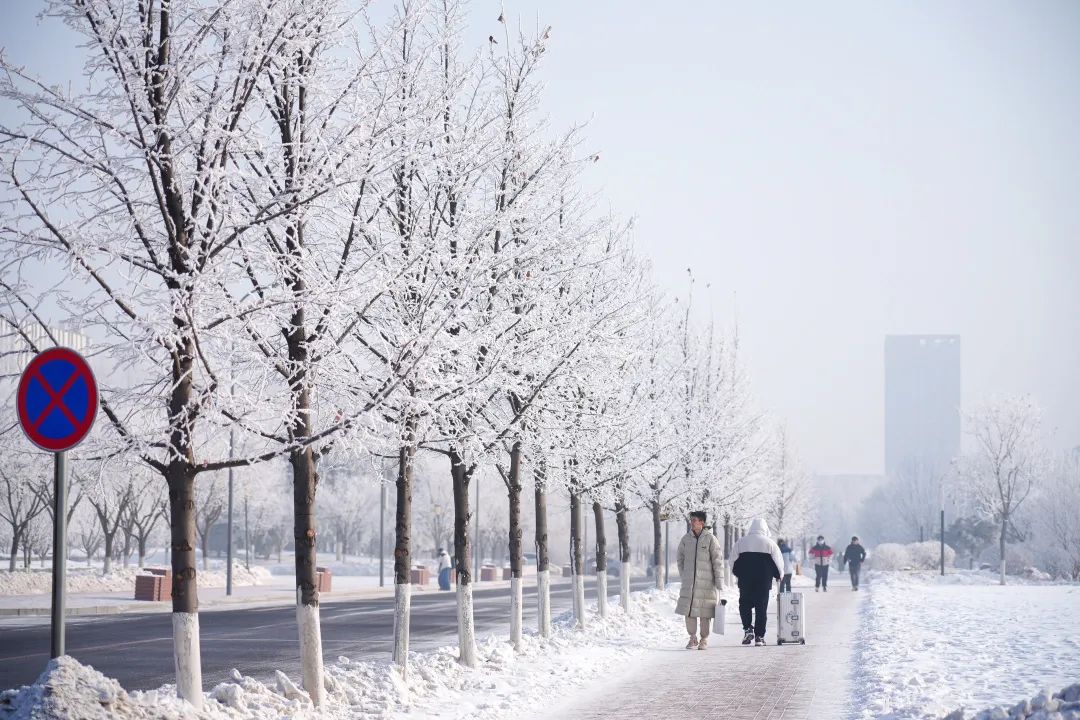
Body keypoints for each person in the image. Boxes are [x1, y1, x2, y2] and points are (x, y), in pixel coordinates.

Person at [674, 511, 725, 650]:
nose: (692, 522)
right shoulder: (686, 539)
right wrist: (684, 574)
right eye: (691, 520)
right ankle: (692, 638)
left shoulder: (710, 539)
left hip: (706, 584)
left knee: (705, 613)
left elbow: (717, 561)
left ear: (702, 522)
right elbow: (680, 558)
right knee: (689, 611)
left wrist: (719, 581)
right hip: (689, 584)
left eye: (694, 520)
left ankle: (704, 639)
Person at [731, 518, 784, 646]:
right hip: (763, 582)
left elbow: (732, 561)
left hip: (745, 581)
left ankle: (748, 629)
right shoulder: (770, 544)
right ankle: (759, 636)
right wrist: (779, 575)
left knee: (745, 605)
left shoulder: (741, 543)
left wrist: (738, 573)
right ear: (765, 528)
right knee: (761, 609)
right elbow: (778, 562)